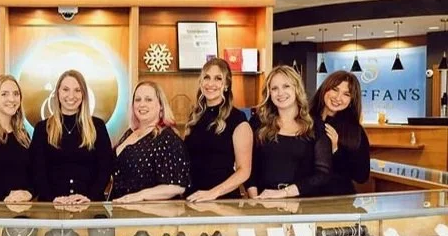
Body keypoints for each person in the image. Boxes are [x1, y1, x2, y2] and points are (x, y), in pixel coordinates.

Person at [247, 65, 331, 199]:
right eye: (274, 88)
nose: (280, 93)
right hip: (264, 203)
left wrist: (283, 193)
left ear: (297, 89)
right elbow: (248, 167)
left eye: (286, 86)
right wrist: (255, 199)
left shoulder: (316, 125)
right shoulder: (257, 122)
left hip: (303, 206)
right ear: (269, 93)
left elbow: (322, 174)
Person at [30, 70, 113, 204]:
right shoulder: (42, 128)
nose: (71, 95)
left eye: (77, 90)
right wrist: (53, 199)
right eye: (66, 89)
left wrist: (89, 198)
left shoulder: (97, 126)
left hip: (90, 206)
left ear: (83, 94)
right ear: (57, 93)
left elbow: (105, 169)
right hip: (52, 207)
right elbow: (37, 171)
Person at [184, 58, 253, 201]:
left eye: (218, 78)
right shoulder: (195, 117)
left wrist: (213, 193)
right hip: (192, 199)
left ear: (226, 84)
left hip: (222, 201)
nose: (210, 83)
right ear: (201, 82)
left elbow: (244, 171)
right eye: (206, 77)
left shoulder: (238, 119)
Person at [110, 81, 189, 202]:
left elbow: (177, 186)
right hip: (119, 210)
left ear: (161, 105)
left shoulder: (167, 138)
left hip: (147, 214)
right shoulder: (129, 133)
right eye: (138, 100)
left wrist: (140, 195)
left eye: (148, 99)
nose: (142, 104)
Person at [309, 70, 370, 195]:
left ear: (352, 100)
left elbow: (361, 176)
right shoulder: (304, 121)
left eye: (346, 94)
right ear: (325, 89)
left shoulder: (355, 131)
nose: (338, 98)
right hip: (303, 199)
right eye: (335, 89)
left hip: (339, 200)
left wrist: (336, 150)